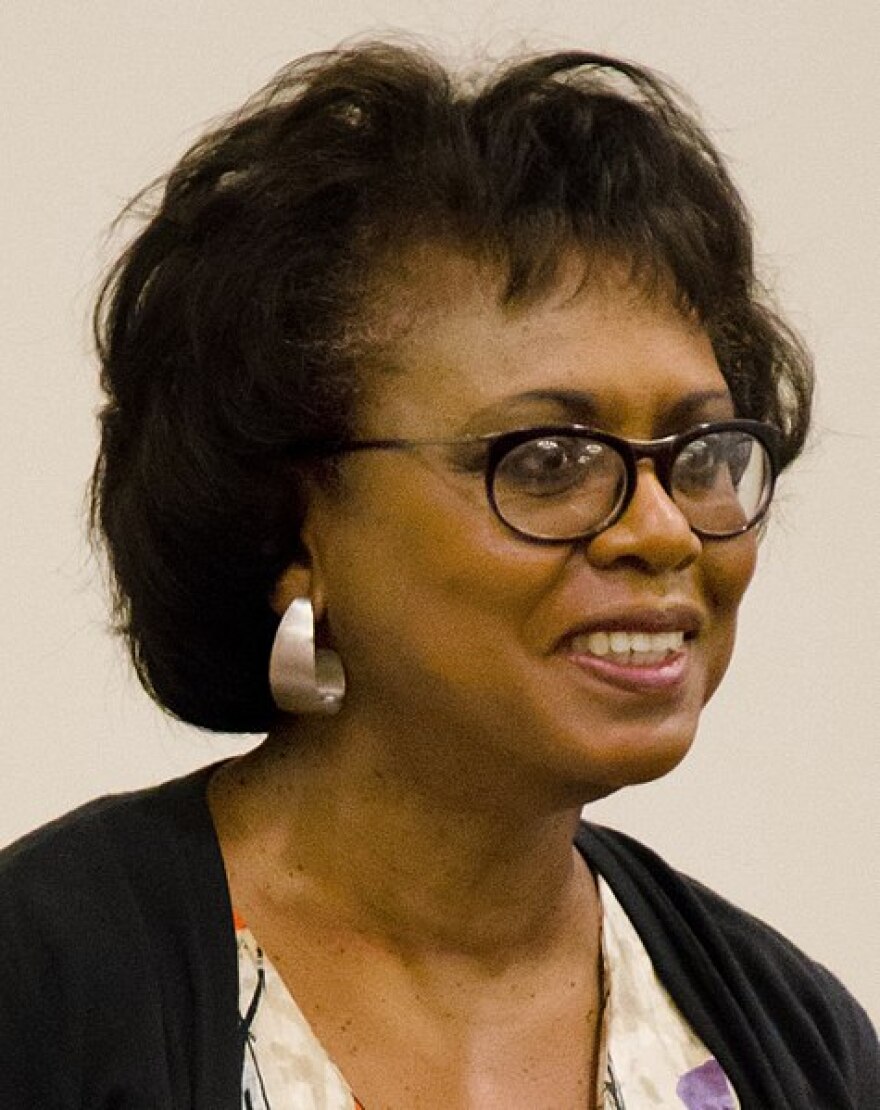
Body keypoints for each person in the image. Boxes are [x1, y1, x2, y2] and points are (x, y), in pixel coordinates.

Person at [0, 40, 875, 1110]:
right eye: (549, 460)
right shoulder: (47, 988)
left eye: (697, 455)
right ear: (293, 524)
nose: (660, 530)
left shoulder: (793, 1041)